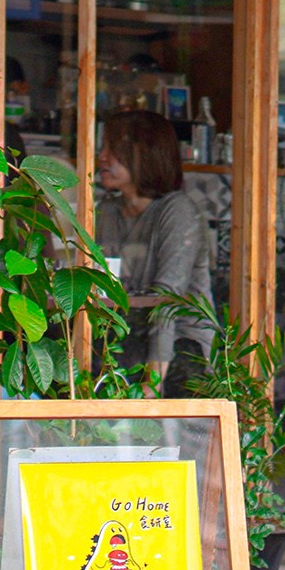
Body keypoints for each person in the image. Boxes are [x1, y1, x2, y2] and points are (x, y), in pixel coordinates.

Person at [94, 110, 211, 395]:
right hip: (125, 342)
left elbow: (166, 301)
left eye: (112, 148)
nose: (101, 157)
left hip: (179, 350)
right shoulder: (107, 211)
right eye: (103, 147)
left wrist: (151, 385)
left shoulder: (177, 211)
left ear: (143, 154)